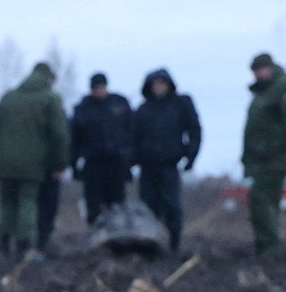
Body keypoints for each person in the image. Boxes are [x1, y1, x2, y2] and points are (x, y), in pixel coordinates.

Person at [0, 61, 70, 263]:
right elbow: (60, 135)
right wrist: (60, 165)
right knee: (27, 201)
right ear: (49, 79)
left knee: (7, 203)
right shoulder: (50, 99)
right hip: (33, 163)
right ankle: (23, 248)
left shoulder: (9, 98)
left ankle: (4, 244)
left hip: (5, 162)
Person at [130, 68, 200, 250]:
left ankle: (174, 244)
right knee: (147, 208)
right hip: (147, 167)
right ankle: (150, 244)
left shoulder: (180, 105)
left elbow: (194, 130)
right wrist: (130, 162)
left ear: (169, 85)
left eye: (162, 84)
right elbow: (132, 138)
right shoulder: (143, 110)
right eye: (155, 85)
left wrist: (190, 156)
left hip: (169, 165)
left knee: (172, 207)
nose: (158, 88)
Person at [241, 53, 286, 252]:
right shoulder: (265, 91)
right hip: (261, 158)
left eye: (261, 70)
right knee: (268, 200)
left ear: (270, 68)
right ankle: (268, 246)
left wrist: (269, 146)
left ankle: (268, 246)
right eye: (255, 71)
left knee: (260, 198)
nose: (258, 74)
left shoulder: (285, 87)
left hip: (276, 158)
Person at [69, 72, 134, 224]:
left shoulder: (120, 104)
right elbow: (75, 138)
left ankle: (118, 234)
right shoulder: (83, 109)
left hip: (116, 161)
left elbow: (131, 132)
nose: (99, 91)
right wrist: (74, 164)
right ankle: (96, 233)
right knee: (93, 203)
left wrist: (129, 159)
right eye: (96, 88)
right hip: (93, 162)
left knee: (117, 202)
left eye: (101, 87)